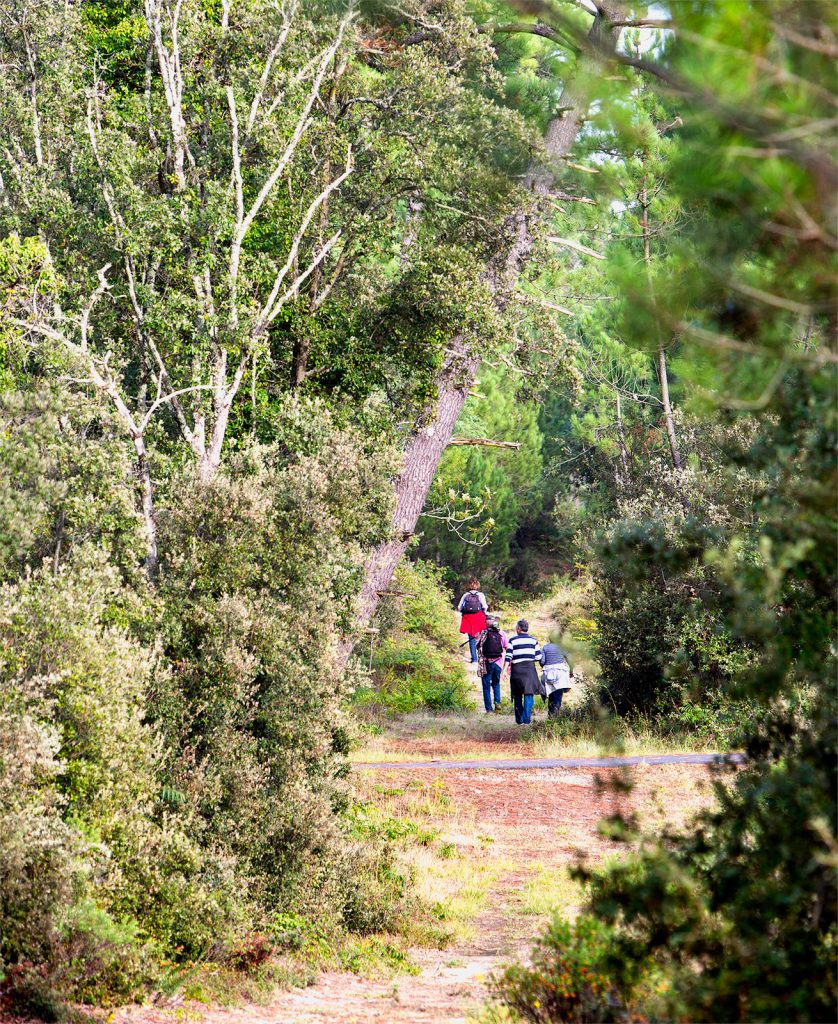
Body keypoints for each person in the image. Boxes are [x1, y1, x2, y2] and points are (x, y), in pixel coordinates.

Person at [503, 619, 542, 725]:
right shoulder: (534, 641)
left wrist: (505, 670)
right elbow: (538, 657)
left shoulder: (512, 640)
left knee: (517, 694)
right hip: (529, 669)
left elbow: (508, 656)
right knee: (529, 694)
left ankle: (519, 720)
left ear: (519, 629)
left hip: (517, 670)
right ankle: (526, 720)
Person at [476, 614, 507, 713]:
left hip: (486, 663)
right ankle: (497, 702)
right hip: (498, 663)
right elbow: (506, 647)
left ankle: (489, 709)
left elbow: (478, 645)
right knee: (496, 684)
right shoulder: (501, 632)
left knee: (486, 686)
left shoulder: (484, 632)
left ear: (486, 622)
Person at [457, 577, 488, 663]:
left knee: (471, 638)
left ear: (469, 585)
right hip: (479, 617)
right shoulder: (480, 595)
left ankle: (474, 659)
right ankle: (483, 656)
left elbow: (459, 608)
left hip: (468, 619)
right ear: (477, 584)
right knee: (482, 636)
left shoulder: (465, 595)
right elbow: (485, 607)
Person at [540, 640, 573, 717]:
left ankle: (550, 716)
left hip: (548, 674)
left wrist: (546, 666)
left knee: (550, 695)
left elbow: (542, 661)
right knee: (558, 696)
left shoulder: (545, 647)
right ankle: (556, 716)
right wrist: (571, 671)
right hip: (560, 673)